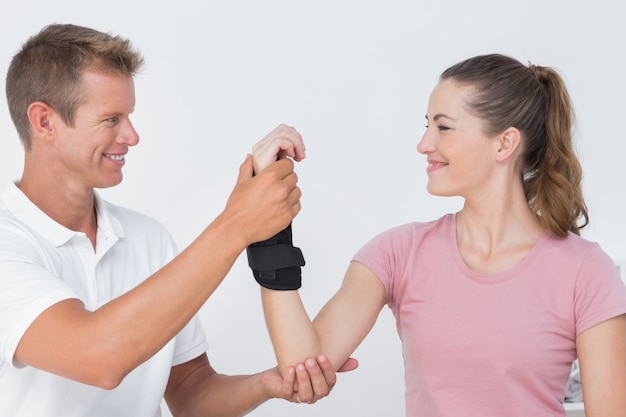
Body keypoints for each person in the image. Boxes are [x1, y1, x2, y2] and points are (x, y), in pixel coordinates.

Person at [0, 23, 355, 417]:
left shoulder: (148, 239)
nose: (132, 136)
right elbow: (97, 357)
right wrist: (237, 224)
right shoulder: (8, 241)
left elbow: (190, 392)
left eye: (129, 116)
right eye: (111, 119)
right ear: (44, 122)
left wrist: (266, 383)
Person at [250, 53, 626, 417]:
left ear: (504, 143)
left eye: (443, 127)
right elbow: (303, 372)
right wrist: (270, 235)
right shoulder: (397, 253)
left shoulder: (585, 270)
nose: (424, 144)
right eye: (426, 124)